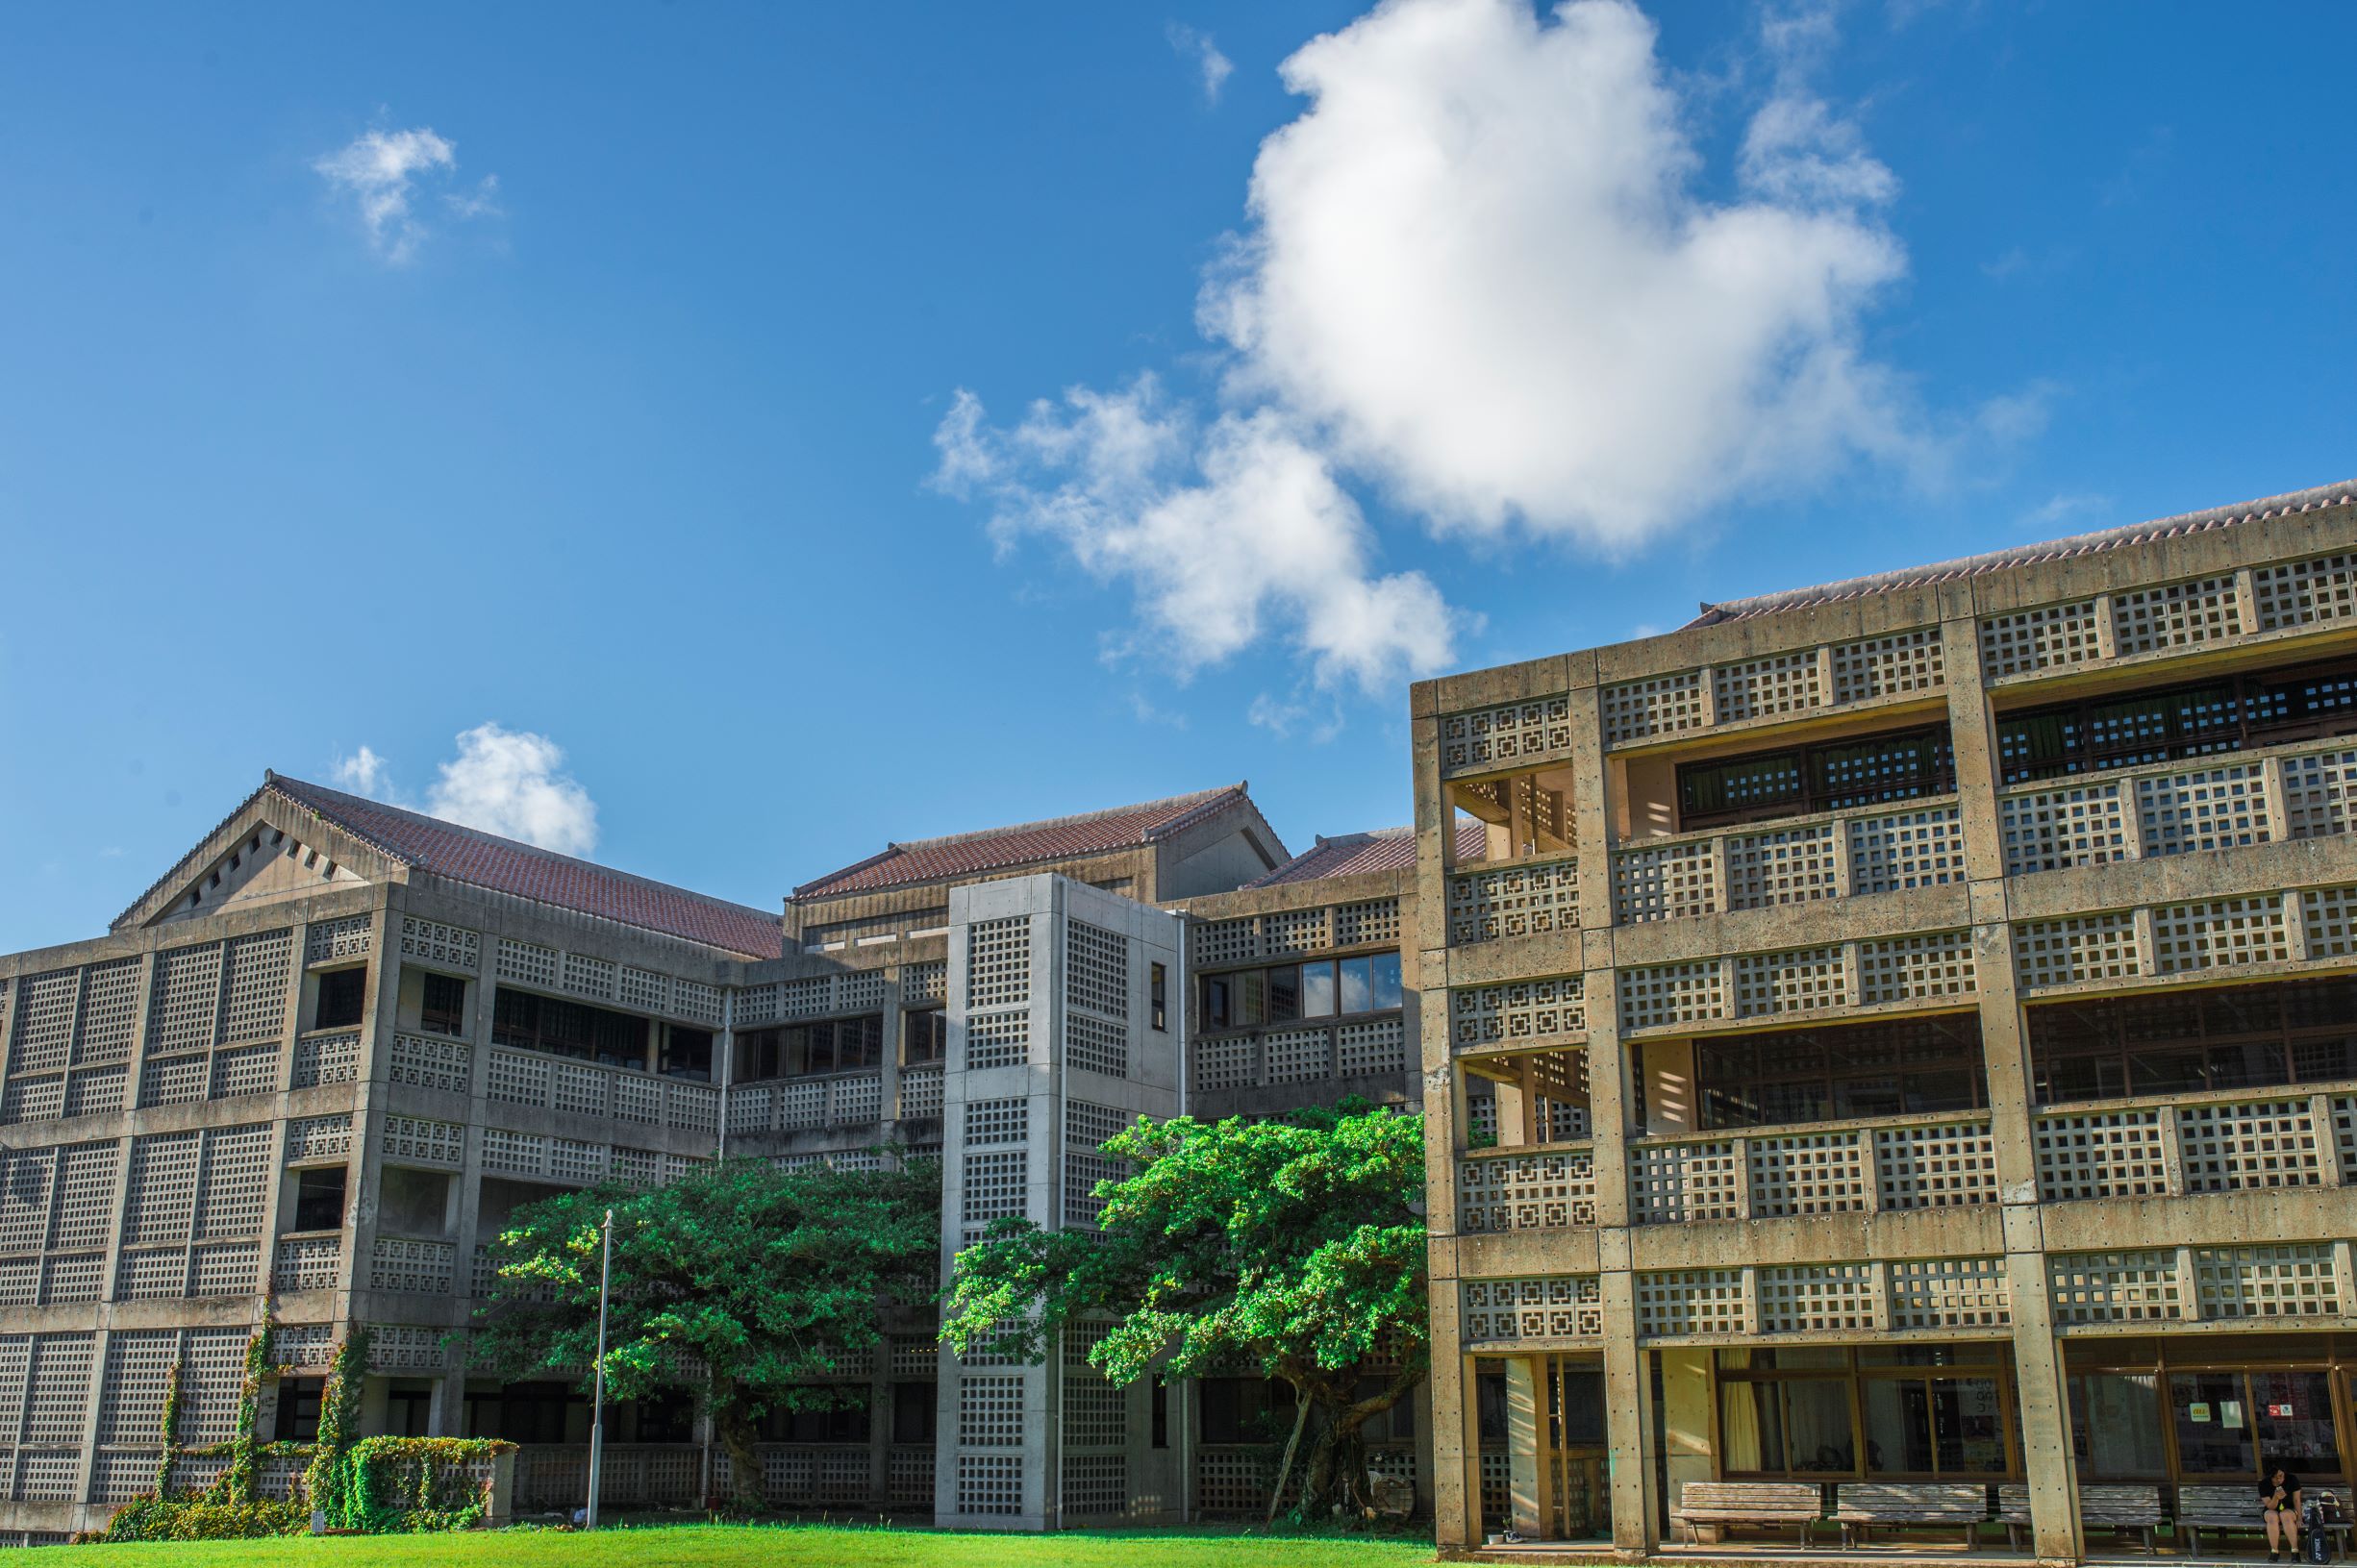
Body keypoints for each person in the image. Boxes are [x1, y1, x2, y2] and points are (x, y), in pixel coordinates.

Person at [2262, 1460, 2304, 1562]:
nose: (2279, 1479)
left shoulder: (2292, 1479)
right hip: (2272, 1509)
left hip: (2289, 1509)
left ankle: (2295, 1551)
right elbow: (2270, 1506)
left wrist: (2299, 1518)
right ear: (2270, 1477)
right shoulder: (2264, 1484)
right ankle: (2274, 1551)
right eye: (2276, 1477)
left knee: (2285, 1515)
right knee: (2272, 1516)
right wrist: (2276, 1497)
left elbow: (2296, 1500)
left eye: (2281, 1475)